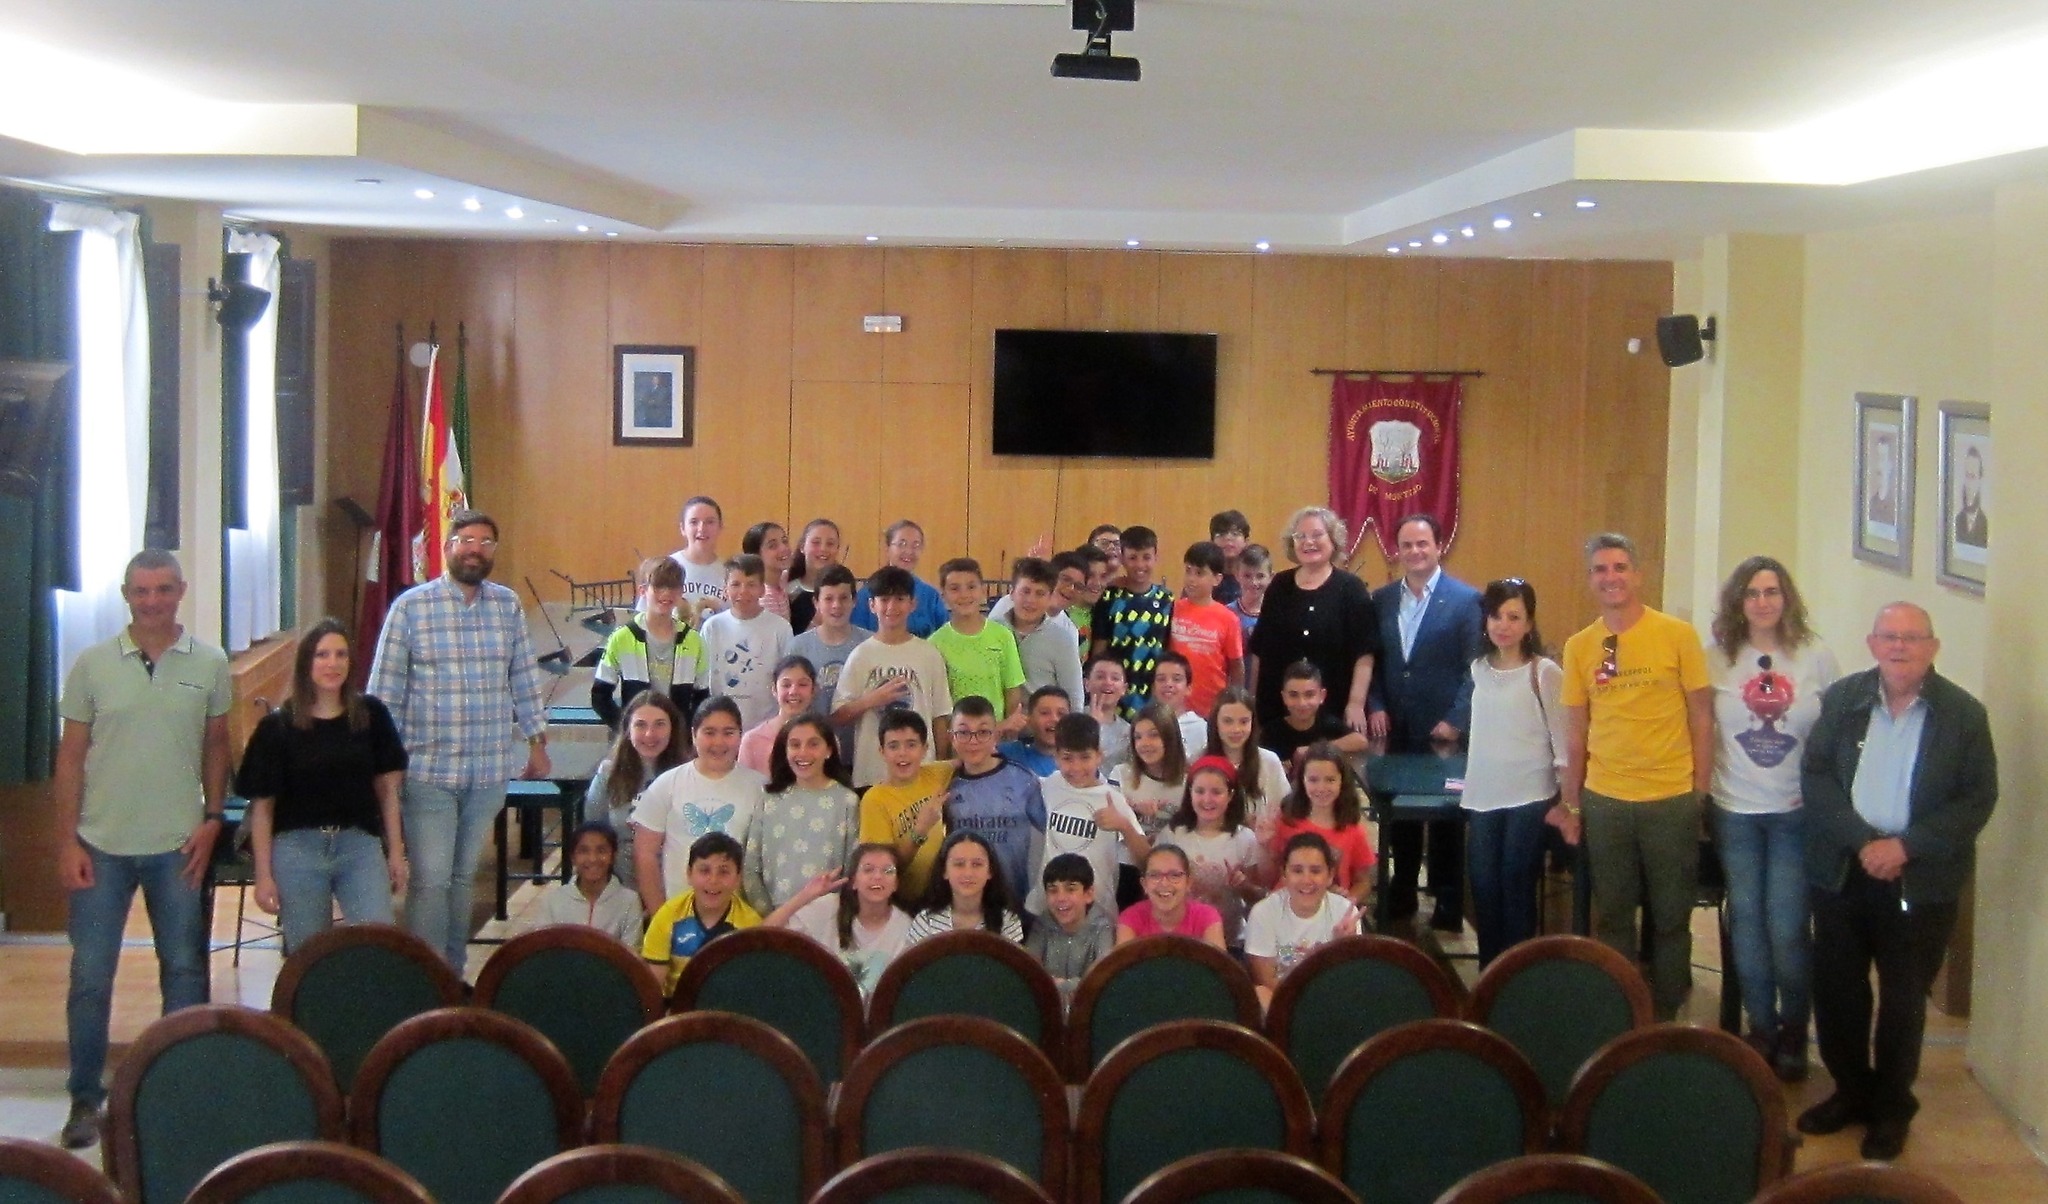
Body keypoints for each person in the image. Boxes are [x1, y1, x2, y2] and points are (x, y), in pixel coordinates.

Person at [1797, 603, 1995, 1161]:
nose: (1900, 647)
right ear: (1872, 643)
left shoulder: (1963, 715)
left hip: (1919, 881)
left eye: (1913, 638)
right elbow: (1816, 775)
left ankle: (1891, 1106)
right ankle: (1850, 1091)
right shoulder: (1843, 700)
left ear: (1932, 648)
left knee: (1905, 1000)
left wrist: (1906, 846)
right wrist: (1863, 841)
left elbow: (1978, 799)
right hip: (1844, 869)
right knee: (1837, 990)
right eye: (1890, 637)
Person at [53, 550, 232, 1147]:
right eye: (140, 591)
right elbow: (71, 759)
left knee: (183, 971)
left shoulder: (209, 662)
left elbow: (216, 745)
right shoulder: (92, 665)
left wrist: (213, 819)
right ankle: (85, 1098)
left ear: (181, 590)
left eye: (162, 589)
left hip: (179, 846)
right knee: (90, 977)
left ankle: (181, 1093)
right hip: (100, 846)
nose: (151, 601)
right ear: (125, 595)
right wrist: (65, 841)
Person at [367, 510, 549, 970]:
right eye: (466, 540)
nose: (475, 549)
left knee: (464, 877)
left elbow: (524, 676)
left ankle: (452, 970)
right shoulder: (412, 607)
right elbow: (383, 692)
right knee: (431, 879)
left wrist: (536, 741)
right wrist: (380, 765)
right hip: (428, 770)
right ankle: (427, 978)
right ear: (447, 546)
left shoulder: (506, 605)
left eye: (486, 542)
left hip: (488, 769)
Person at [1557, 532, 1713, 1021]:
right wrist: (1572, 804)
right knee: (1613, 914)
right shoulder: (1580, 646)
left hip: (1670, 800)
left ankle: (1667, 1012)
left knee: (1671, 915)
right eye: (1601, 569)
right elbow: (1576, 734)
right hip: (1606, 801)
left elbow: (1702, 718)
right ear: (1590, 581)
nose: (1611, 577)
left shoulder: (1678, 635)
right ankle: (1623, 1010)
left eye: (1620, 567)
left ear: (1639, 574)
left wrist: (1699, 794)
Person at [1708, 557, 1840, 1080]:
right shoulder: (1716, 658)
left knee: (1786, 927)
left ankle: (1793, 1028)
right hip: (1734, 810)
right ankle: (1759, 1027)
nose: (1763, 602)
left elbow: (1835, 738)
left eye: (1772, 591)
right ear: (1738, 603)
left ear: (1787, 598)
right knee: (1746, 924)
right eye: (1752, 593)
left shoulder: (1815, 657)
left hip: (1794, 813)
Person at [236, 619, 408, 954]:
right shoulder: (277, 728)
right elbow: (263, 809)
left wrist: (397, 853)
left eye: (341, 655)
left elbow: (387, 793)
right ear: (306, 664)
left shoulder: (371, 715)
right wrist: (263, 874)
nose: (333, 664)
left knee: (379, 943)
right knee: (308, 954)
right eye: (322, 655)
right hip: (298, 849)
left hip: (358, 845)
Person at [1368, 513, 1483, 934]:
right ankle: (1401, 891)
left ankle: (1449, 903)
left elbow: (1476, 669)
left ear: (1439, 546)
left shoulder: (1466, 600)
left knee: (1447, 818)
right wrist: (1376, 704)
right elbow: (1374, 662)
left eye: (1423, 544)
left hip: (1444, 733)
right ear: (1396, 551)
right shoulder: (1381, 599)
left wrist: (1455, 720)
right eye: (1407, 545)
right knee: (1400, 815)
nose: (1415, 552)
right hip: (1395, 728)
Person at [1462, 579, 1568, 968]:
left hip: (1529, 796)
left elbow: (1562, 741)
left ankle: (1517, 977)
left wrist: (1567, 801)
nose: (1503, 625)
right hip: (1483, 797)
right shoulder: (1478, 669)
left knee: (1515, 885)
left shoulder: (1544, 673)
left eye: (1513, 617)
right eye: (1496, 616)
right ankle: (1489, 974)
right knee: (1484, 889)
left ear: (1529, 623)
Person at [1246, 506, 1379, 733]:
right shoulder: (1279, 585)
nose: (1309, 542)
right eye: (1301, 536)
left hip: (1334, 710)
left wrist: (1356, 703)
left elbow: (1364, 653)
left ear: (1333, 540)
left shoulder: (1351, 588)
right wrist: (1253, 700)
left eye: (1317, 535)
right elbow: (1260, 648)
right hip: (1277, 711)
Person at [631, 697, 768, 913]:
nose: (719, 742)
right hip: (679, 913)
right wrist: (662, 916)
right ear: (694, 735)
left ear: (740, 735)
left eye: (728, 732)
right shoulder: (667, 784)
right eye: (709, 732)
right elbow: (644, 854)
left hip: (739, 917)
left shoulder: (760, 787)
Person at [835, 566, 955, 788]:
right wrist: (872, 700)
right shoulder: (861, 655)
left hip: (921, 774)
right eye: (884, 599)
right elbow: (838, 715)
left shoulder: (929, 654)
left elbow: (940, 716)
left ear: (912, 604)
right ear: (872, 605)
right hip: (872, 775)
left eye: (900, 599)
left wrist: (940, 767)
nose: (891, 607)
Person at [1026, 712, 1148, 924]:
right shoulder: (1048, 785)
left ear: (1099, 756)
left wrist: (1124, 826)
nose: (1076, 767)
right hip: (1049, 908)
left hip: (1097, 914)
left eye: (1085, 757)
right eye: (1067, 758)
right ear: (1055, 756)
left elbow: (1146, 859)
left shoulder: (1112, 799)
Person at [743, 714, 860, 912]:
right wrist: (770, 919)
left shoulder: (847, 801)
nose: (803, 753)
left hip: (827, 917)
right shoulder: (769, 799)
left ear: (829, 750)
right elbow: (750, 867)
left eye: (813, 744)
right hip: (774, 918)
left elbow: (852, 869)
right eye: (795, 745)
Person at [938, 696, 1048, 906]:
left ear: (995, 735)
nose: (973, 741)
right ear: (952, 737)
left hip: (1015, 902)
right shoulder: (946, 786)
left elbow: (1052, 834)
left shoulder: (1024, 780)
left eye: (983, 732)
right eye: (963, 732)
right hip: (967, 906)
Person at [763, 844, 912, 994]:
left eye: (888, 871)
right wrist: (806, 895)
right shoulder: (827, 908)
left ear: (896, 884)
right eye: (868, 870)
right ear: (853, 881)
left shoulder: (906, 926)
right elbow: (763, 935)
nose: (878, 877)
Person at [1159, 755, 1266, 951]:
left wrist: (1243, 885)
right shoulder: (1174, 834)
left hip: (1230, 941)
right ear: (1189, 792)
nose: (1207, 800)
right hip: (1180, 938)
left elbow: (1258, 898)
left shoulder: (1245, 839)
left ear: (1231, 795)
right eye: (1200, 791)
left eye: (1216, 792)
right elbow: (1155, 884)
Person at [584, 691, 687, 892]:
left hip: (674, 888)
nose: (650, 734)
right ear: (627, 729)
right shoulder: (608, 773)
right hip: (620, 888)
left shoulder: (687, 774)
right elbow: (592, 831)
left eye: (659, 724)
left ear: (672, 729)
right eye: (640, 725)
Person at [1245, 832, 1361, 1008]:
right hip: (1283, 1002)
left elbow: (1349, 979)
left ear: (1330, 875)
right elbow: (1265, 979)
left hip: (1331, 1000)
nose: (1307, 880)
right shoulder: (1263, 913)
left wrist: (1341, 945)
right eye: (1297, 871)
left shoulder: (1345, 912)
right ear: (1284, 874)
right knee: (1260, 994)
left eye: (1315, 871)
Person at [590, 557, 706, 729]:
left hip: (678, 744)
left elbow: (702, 698)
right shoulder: (622, 637)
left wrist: (687, 735)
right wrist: (626, 730)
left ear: (682, 591)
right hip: (634, 744)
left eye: (673, 586)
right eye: (658, 586)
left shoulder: (694, 641)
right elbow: (600, 696)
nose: (666, 593)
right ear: (643, 591)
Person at [642, 832, 761, 993]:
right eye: (704, 871)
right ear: (689, 874)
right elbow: (652, 988)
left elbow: (750, 988)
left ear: (738, 878)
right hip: (676, 1008)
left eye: (724, 872)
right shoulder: (668, 916)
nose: (713, 880)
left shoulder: (751, 925)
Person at [858, 711, 953, 903]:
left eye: (911, 745)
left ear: (925, 748)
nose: (903, 753)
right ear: (882, 751)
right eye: (893, 746)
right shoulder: (874, 800)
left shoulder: (935, 774)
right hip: (902, 902)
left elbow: (971, 757)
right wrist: (920, 830)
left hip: (943, 896)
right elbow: (882, 871)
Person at [695, 553, 795, 730]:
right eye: (735, 584)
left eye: (751, 585)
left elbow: (788, 676)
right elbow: (702, 677)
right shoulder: (712, 627)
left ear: (762, 589)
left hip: (765, 725)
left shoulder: (780, 628)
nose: (743, 591)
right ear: (725, 589)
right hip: (722, 726)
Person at [1270, 743, 1377, 908]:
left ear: (1342, 781)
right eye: (1313, 780)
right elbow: (1273, 869)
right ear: (1302, 780)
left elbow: (1363, 881)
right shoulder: (1286, 821)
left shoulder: (1353, 831)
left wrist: (1348, 901)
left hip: (1330, 913)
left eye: (1330, 780)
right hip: (1287, 907)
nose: (1321, 787)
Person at [930, 557, 1028, 735]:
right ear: (943, 595)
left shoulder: (1002, 636)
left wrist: (1008, 736)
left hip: (997, 740)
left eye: (971, 587)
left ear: (983, 591)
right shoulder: (935, 643)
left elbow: (1012, 691)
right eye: (954, 588)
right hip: (958, 741)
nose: (964, 594)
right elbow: (939, 708)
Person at [1090, 525, 1176, 718]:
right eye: (1132, 558)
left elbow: (1167, 647)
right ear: (1122, 558)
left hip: (1151, 694)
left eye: (1146, 557)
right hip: (1116, 692)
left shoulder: (1166, 600)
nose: (1140, 565)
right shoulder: (1110, 597)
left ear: (1156, 557)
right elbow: (1099, 649)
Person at [1110, 704, 1189, 905]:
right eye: (1138, 737)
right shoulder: (1121, 774)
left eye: (1153, 735)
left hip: (1172, 873)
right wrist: (1134, 813)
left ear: (1169, 737)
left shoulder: (1189, 781)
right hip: (1127, 871)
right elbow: (1114, 830)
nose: (1145, 743)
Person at [791, 564, 871, 755]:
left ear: (854, 601)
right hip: (813, 753)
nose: (836, 605)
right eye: (829, 599)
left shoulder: (870, 644)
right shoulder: (798, 647)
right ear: (816, 603)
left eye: (844, 598)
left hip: (860, 753)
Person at [905, 830, 1026, 945]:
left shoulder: (1008, 921)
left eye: (977, 864)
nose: (968, 873)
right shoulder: (926, 920)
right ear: (944, 871)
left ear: (990, 871)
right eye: (959, 864)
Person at [533, 823, 643, 946]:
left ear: (613, 856)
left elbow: (630, 956)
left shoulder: (629, 901)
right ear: (573, 857)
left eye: (601, 851)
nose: (592, 859)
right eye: (584, 851)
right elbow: (542, 951)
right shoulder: (553, 901)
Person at [992, 557, 1085, 701]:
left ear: (1050, 597)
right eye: (1025, 591)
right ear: (1012, 592)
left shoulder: (1063, 638)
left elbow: (1074, 696)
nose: (1031, 600)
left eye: (1040, 594)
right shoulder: (993, 628)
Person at [1170, 541, 1245, 719]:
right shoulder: (1172, 609)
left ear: (1217, 579)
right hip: (1175, 707)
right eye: (1188, 571)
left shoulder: (1228, 618)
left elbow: (1236, 666)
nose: (1191, 578)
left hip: (1211, 709)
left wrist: (1234, 703)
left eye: (1199, 573)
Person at [1026, 854, 1116, 1000]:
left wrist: (1060, 985)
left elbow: (1102, 979)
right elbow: (1028, 970)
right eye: (1053, 890)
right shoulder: (1042, 923)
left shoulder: (1102, 927)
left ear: (1088, 894)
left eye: (1070, 889)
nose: (1061, 898)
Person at [1204, 687, 1288, 833]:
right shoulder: (1199, 760)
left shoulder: (1269, 761)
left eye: (1243, 722)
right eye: (1228, 721)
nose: (1236, 729)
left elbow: (1285, 812)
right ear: (1215, 722)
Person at [1260, 661, 1367, 772]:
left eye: (1309, 695)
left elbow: (1360, 741)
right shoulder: (1271, 733)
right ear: (1284, 697)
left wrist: (1314, 750)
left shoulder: (1328, 724)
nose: (1302, 703)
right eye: (1293, 695)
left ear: (1322, 696)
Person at [852, 519, 949, 638]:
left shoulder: (930, 595)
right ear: (887, 548)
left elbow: (945, 635)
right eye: (901, 544)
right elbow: (856, 637)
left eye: (916, 545)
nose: (909, 551)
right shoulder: (867, 593)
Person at [1119, 845, 1227, 949]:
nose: (1164, 883)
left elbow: (1219, 966)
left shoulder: (1207, 917)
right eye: (1155, 875)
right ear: (1144, 884)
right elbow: (1122, 966)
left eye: (1174, 875)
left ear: (1188, 882)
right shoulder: (1130, 918)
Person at [737, 655, 817, 775]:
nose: (793, 691)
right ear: (774, 689)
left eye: (802, 684)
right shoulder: (752, 741)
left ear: (814, 690)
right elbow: (744, 789)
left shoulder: (826, 739)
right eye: (786, 685)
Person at [669, 495, 728, 617]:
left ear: (720, 527)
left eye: (710, 522)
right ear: (683, 528)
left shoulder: (730, 572)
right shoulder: (666, 568)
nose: (701, 528)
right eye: (694, 522)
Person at [785, 517, 845, 634]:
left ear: (837, 549)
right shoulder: (788, 590)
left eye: (830, 544)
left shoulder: (844, 591)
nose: (823, 549)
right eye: (816, 543)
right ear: (802, 547)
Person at [999, 686, 1069, 778]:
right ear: (1029, 718)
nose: (1054, 719)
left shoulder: (1080, 760)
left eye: (1061, 714)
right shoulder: (1010, 753)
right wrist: (1000, 728)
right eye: (1045, 713)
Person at [1149, 652, 1209, 754]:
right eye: (1161, 679)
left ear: (1188, 689)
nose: (1168, 684)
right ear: (1153, 688)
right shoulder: (1144, 725)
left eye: (1176, 679)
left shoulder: (1201, 728)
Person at [1083, 654, 1132, 767]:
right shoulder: (1072, 719)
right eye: (1100, 677)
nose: (1108, 682)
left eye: (1115, 678)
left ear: (1124, 689)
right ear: (1087, 684)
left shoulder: (1128, 732)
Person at [742, 520, 796, 622]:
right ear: (756, 556)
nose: (784, 548)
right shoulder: (763, 598)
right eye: (772, 546)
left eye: (784, 541)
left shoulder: (781, 580)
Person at [1229, 543, 1272, 643]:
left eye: (1260, 576)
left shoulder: (1277, 614)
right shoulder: (1227, 613)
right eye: (1247, 576)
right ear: (1237, 575)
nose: (1254, 582)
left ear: (1271, 577)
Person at [1208, 510, 1252, 607]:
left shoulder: (1255, 579)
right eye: (1221, 534)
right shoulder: (1203, 577)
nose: (1228, 538)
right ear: (1212, 541)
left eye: (1235, 534)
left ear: (1246, 541)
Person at [1954, 445, 1987, 547]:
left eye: (1972, 477)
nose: (1968, 484)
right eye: (1966, 476)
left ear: (1980, 481)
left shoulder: (1986, 525)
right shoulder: (1957, 521)